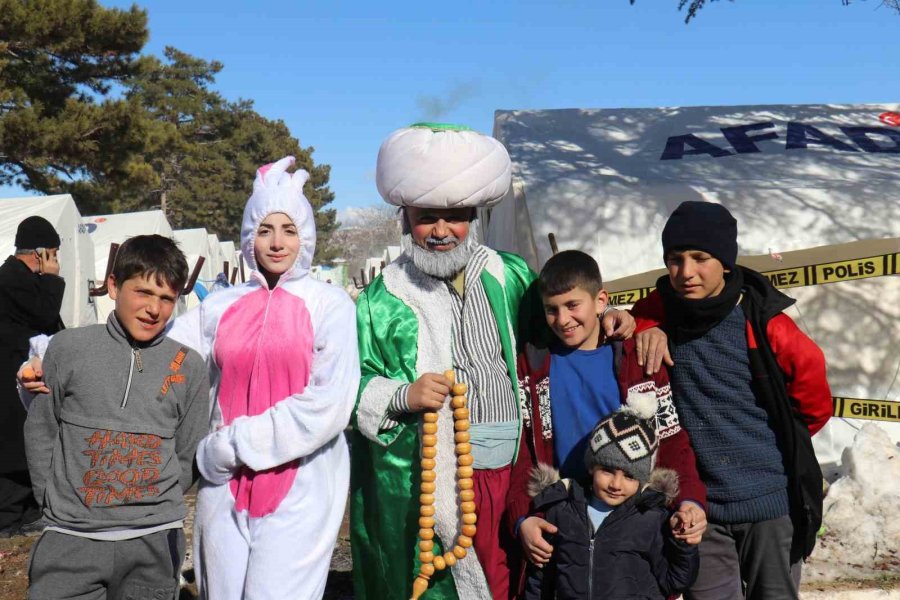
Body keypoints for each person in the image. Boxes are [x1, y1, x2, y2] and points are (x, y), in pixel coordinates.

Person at [351, 123, 635, 600]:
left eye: (455, 216)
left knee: (520, 578)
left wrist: (619, 319)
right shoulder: (380, 301)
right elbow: (346, 386)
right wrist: (403, 395)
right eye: (426, 218)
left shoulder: (510, 274)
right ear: (405, 219)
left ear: (473, 216)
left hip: (520, 468)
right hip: (436, 479)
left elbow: (563, 328)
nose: (441, 232)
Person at [168, 156, 359, 599]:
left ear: (305, 237)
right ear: (249, 236)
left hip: (302, 482)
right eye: (265, 230)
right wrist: (57, 362)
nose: (277, 243)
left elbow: (327, 405)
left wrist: (231, 446)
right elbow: (166, 364)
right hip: (224, 489)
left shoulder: (329, 305)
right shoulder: (218, 307)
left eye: (289, 230)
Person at [630, 201, 832, 600]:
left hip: (769, 506)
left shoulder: (766, 322)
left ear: (724, 262)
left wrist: (774, 447)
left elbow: (814, 402)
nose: (686, 272)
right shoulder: (658, 311)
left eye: (700, 258)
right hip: (698, 509)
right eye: (675, 259)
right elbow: (622, 323)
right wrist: (645, 326)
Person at [508, 250, 707, 594]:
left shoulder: (638, 361)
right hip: (567, 525)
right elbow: (524, 454)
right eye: (552, 309)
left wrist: (688, 501)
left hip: (633, 521)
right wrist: (522, 520)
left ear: (600, 300)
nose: (563, 319)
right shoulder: (533, 367)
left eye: (573, 305)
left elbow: (672, 442)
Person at [23, 234, 209, 599]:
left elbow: (189, 450)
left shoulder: (189, 366)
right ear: (113, 285)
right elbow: (43, 429)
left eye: (167, 298)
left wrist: (156, 503)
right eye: (142, 292)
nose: (153, 309)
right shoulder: (68, 349)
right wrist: (55, 501)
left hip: (153, 540)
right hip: (72, 538)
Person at [524, 399, 700, 600]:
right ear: (592, 467)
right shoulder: (561, 511)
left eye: (629, 476)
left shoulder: (651, 517)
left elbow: (675, 581)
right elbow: (540, 580)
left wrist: (682, 544)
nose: (616, 484)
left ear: (642, 479)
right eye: (607, 471)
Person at [0, 216, 65, 538]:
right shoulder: (11, 278)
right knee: (13, 449)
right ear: (41, 252)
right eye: (53, 253)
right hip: (10, 375)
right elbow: (44, 315)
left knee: (29, 445)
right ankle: (8, 520)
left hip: (23, 376)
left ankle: (26, 513)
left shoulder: (20, 278)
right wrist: (53, 279)